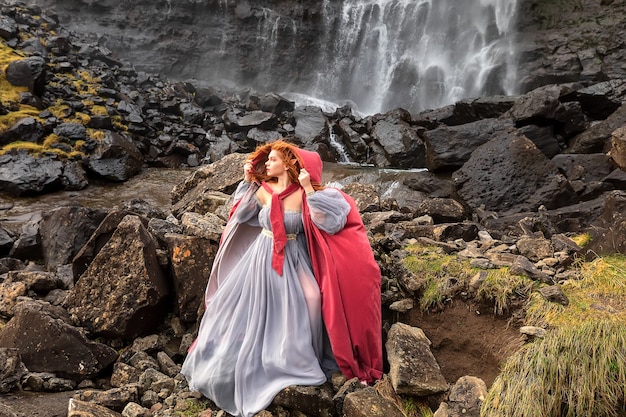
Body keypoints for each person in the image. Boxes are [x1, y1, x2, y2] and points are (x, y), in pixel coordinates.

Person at [181, 140, 383, 417]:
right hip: (262, 256)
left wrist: (309, 188)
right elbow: (240, 215)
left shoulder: (303, 194)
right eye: (267, 160)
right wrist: (246, 180)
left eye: (273, 159)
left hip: (294, 254)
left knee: (312, 297)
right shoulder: (262, 192)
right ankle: (248, 355)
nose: (267, 164)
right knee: (254, 303)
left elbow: (331, 222)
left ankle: (303, 353)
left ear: (287, 164)